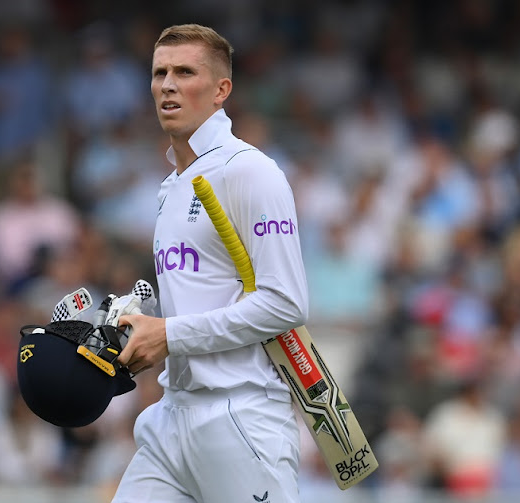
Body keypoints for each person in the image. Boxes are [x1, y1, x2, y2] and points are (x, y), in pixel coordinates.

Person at [112, 24, 308, 502]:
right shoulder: (172, 185)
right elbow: (202, 295)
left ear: (222, 90)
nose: (168, 85)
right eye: (160, 73)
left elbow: (285, 304)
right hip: (170, 417)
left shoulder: (250, 171)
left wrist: (168, 335)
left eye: (184, 72)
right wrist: (133, 322)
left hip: (240, 416)